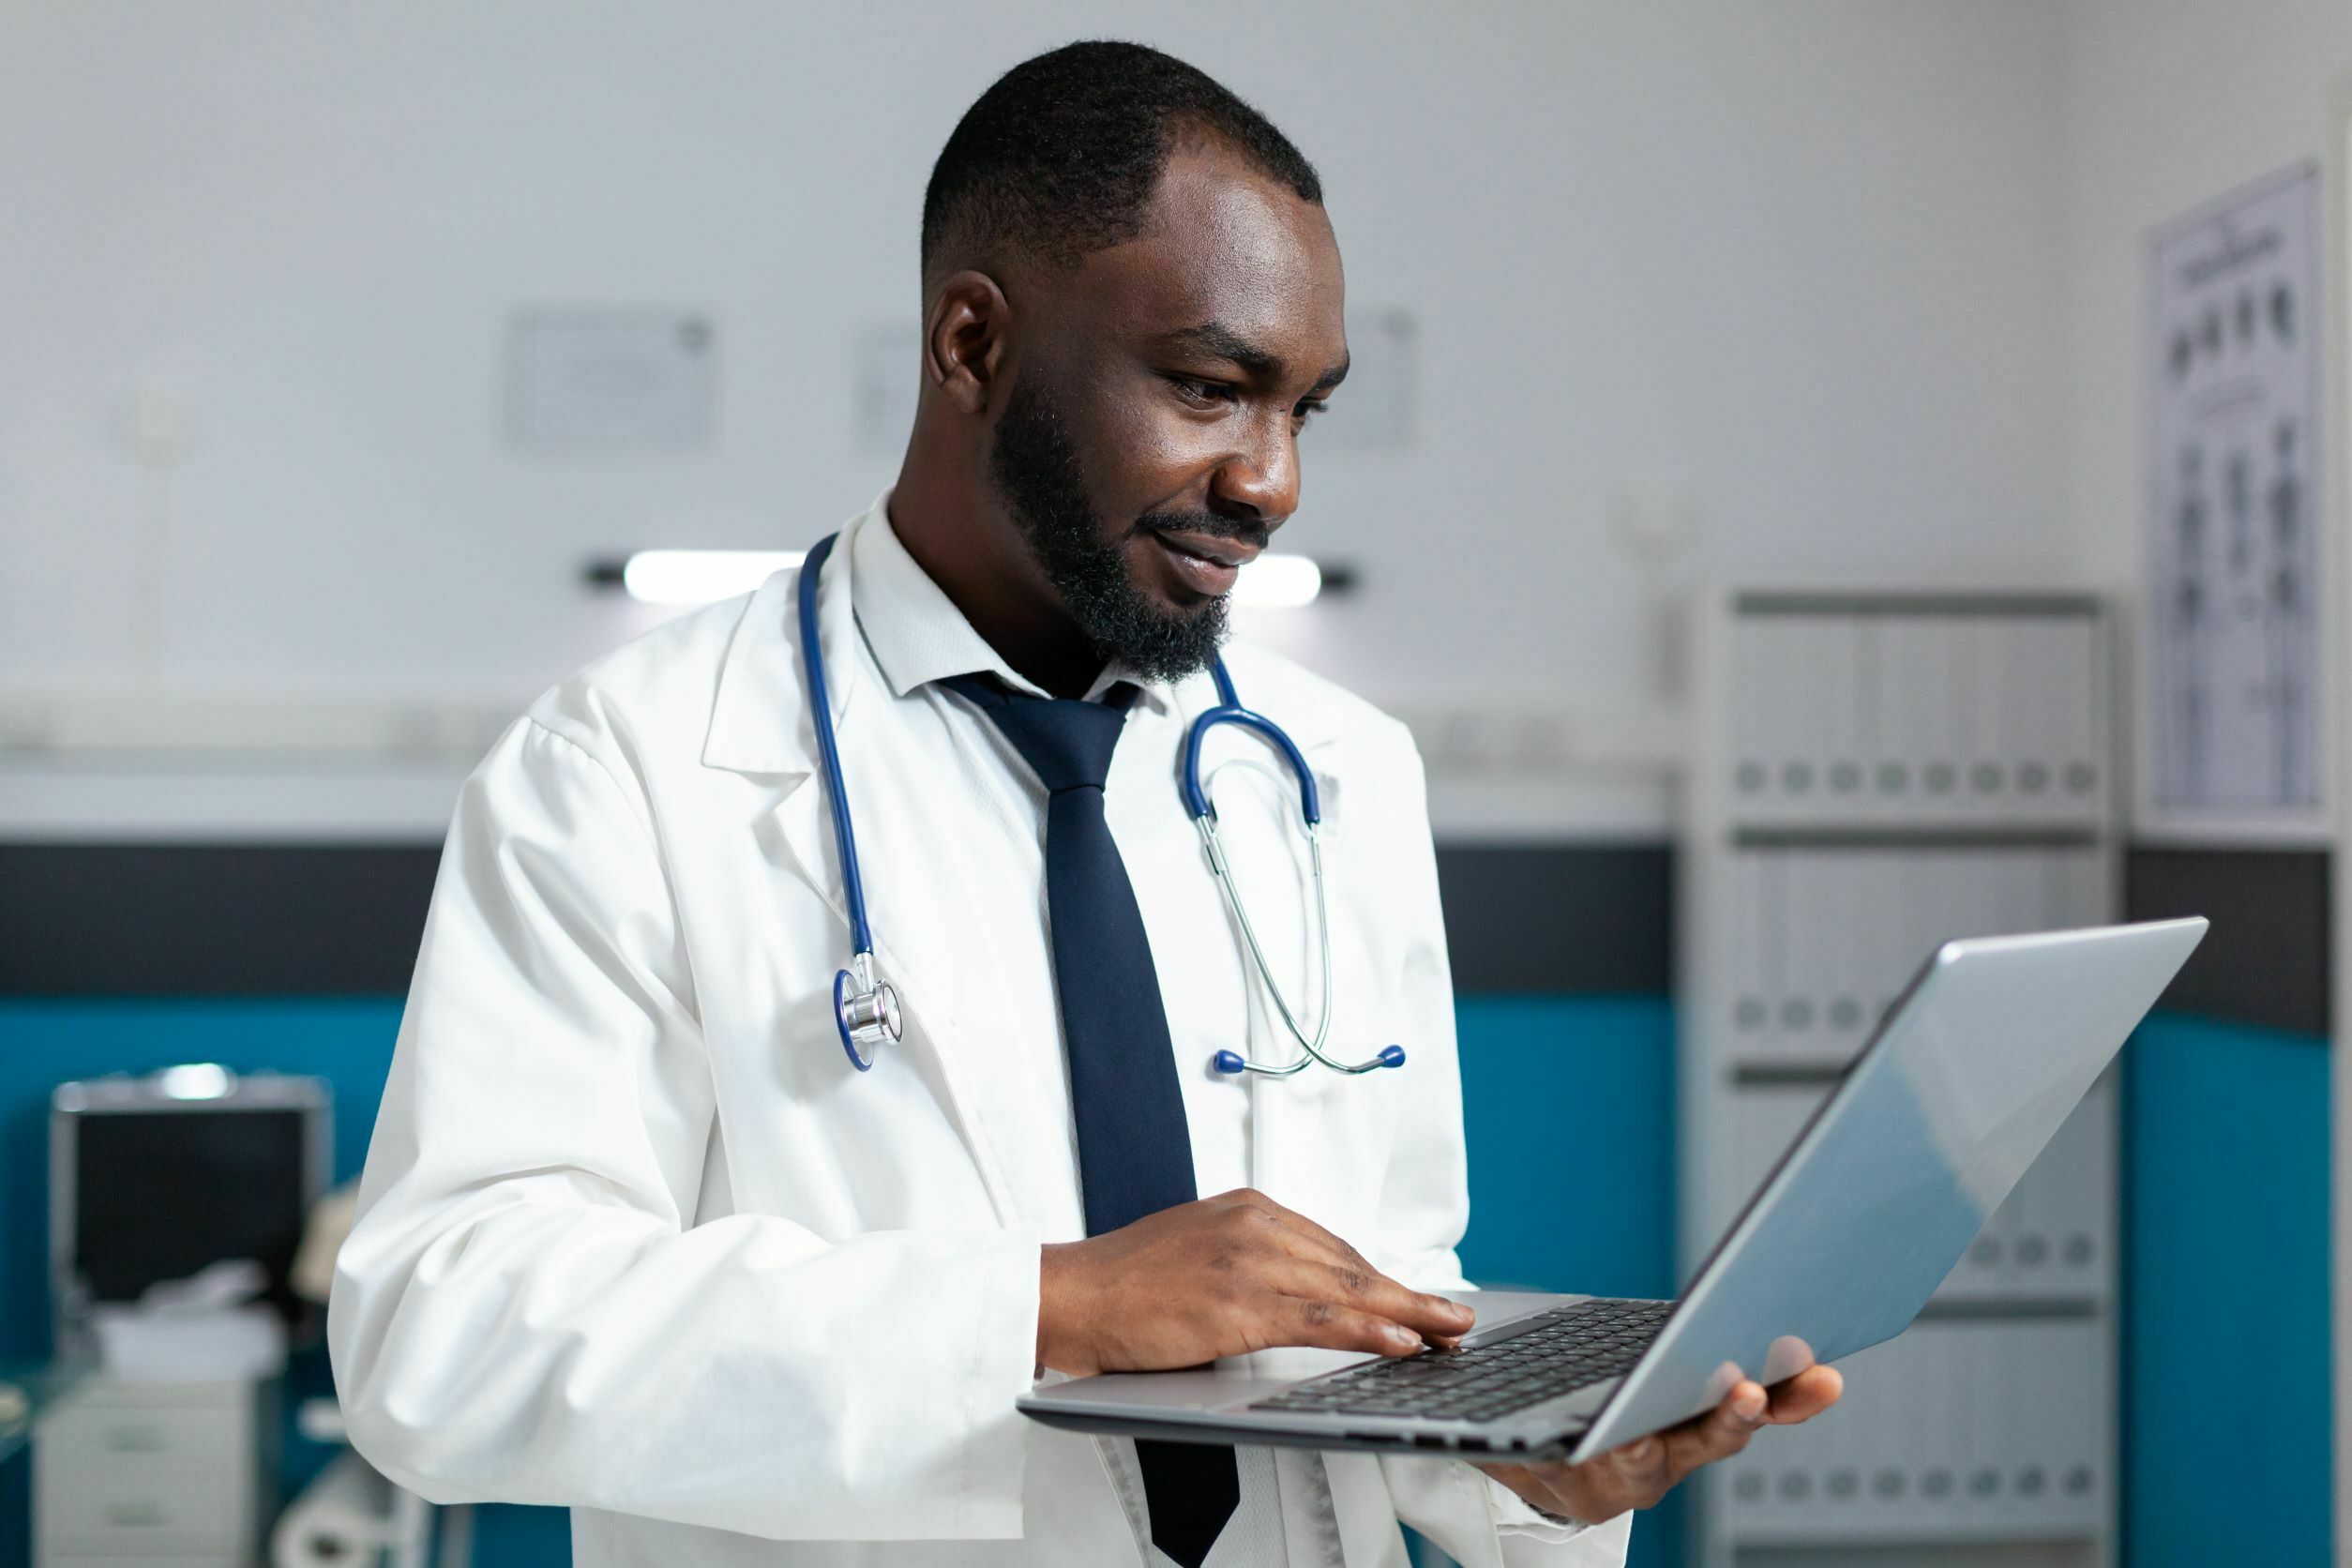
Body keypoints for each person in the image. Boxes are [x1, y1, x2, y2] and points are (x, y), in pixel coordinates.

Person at [328, 40, 1840, 1568]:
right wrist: (1047, 1308)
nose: (1273, 480)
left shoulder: (1337, 773)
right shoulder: (633, 767)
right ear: (974, 344)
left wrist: (1517, 1473)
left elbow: (1377, 1296)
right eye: (1208, 387)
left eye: (1304, 409)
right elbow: (441, 1333)